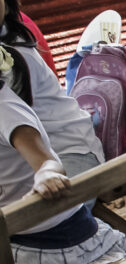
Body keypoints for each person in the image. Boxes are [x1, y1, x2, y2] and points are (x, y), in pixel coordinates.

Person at [1, 43, 126, 264]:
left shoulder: (6, 110)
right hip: (33, 235)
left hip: (49, 244)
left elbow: (47, 161)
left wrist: (46, 176)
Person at [3, 0, 107, 181]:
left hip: (69, 152)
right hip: (32, 160)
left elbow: (24, 136)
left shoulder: (13, 59)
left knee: (56, 205)